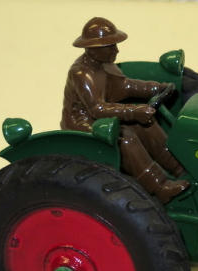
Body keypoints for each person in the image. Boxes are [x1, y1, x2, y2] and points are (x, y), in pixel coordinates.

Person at [61, 17, 188, 203]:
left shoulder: (104, 64)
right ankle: (159, 187)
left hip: (102, 117)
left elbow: (126, 86)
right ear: (93, 48)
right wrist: (134, 111)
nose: (116, 50)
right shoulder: (81, 73)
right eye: (110, 46)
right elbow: (97, 109)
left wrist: (155, 88)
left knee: (146, 125)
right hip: (83, 124)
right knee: (124, 138)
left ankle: (179, 168)